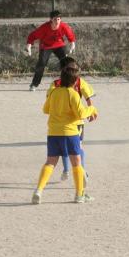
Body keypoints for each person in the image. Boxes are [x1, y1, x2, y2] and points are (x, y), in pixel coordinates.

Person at [32, 66, 98, 204]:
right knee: (76, 163)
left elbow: (45, 109)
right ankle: (79, 195)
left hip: (53, 133)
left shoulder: (54, 92)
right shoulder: (73, 94)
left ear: (61, 78)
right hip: (70, 133)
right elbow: (81, 114)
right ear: (75, 81)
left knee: (50, 162)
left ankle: (38, 190)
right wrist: (91, 109)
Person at [46, 57, 97, 181]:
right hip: (62, 123)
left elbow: (88, 97)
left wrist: (91, 111)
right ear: (64, 70)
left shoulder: (79, 81)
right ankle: (67, 170)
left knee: (76, 147)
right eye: (72, 67)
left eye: (75, 67)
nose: (75, 69)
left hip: (76, 122)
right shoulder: (55, 84)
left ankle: (80, 171)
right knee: (66, 149)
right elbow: (49, 101)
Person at [26, 10, 76, 91]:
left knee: (66, 63)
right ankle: (34, 84)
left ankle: (67, 83)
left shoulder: (64, 26)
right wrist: (29, 45)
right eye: (55, 19)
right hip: (45, 46)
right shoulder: (44, 27)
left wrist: (72, 44)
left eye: (58, 19)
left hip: (59, 45)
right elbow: (33, 35)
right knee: (41, 63)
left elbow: (70, 35)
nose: (57, 21)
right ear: (51, 20)